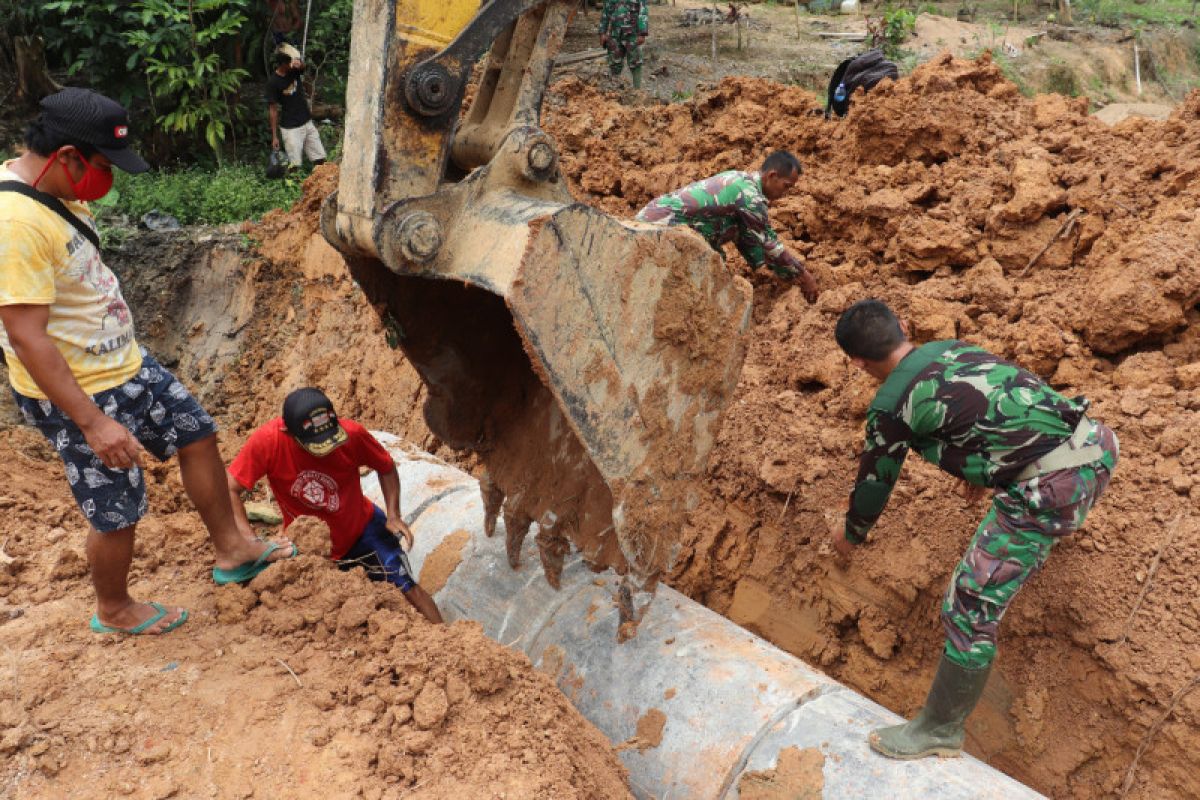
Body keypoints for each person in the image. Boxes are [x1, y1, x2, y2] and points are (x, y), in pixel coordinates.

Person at [0, 89, 294, 637]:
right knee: (117, 507)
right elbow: (25, 335)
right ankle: (113, 609)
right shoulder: (15, 223)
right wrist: (93, 421)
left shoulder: (56, 190)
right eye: (103, 166)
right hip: (80, 390)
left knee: (197, 434)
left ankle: (233, 548)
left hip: (126, 364)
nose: (109, 178)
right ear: (67, 156)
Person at [831, 299, 1118, 760]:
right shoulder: (952, 348)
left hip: (1051, 485)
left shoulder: (890, 405)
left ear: (859, 362)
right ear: (903, 325)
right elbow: (1003, 404)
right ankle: (1040, 532)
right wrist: (985, 472)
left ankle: (940, 730)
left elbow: (875, 482)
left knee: (967, 605)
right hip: (1096, 444)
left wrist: (851, 534)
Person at [227, 388, 444, 624]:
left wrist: (393, 515)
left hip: (363, 531)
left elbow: (386, 466)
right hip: (311, 549)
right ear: (289, 433)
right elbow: (230, 488)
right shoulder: (268, 442)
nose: (327, 449)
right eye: (315, 445)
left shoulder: (352, 434)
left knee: (409, 589)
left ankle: (447, 640)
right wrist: (250, 542)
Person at [635, 150, 819, 303]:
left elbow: (744, 233)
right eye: (785, 187)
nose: (784, 194)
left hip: (656, 217)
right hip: (658, 226)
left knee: (721, 252)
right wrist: (804, 275)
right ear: (772, 176)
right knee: (701, 277)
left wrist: (764, 268)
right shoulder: (750, 197)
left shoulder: (742, 179)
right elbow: (768, 242)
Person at [267, 44, 326, 169]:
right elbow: (273, 110)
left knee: (320, 159)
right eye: (290, 62)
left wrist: (299, 63)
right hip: (290, 128)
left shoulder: (294, 70)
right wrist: (274, 136)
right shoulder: (273, 82)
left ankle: (322, 186)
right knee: (295, 166)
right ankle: (293, 186)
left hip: (307, 122)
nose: (292, 64)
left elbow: (303, 68)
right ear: (282, 63)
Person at [599, 0, 648, 89]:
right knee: (614, 61)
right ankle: (615, 90)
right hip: (614, 33)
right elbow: (605, 12)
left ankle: (637, 91)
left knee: (635, 61)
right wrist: (602, 32)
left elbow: (643, 12)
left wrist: (642, 33)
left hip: (632, 34)